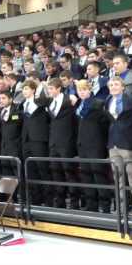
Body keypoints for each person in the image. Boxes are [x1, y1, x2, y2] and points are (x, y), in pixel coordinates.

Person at [105, 77, 132, 216]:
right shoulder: (108, 101)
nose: (113, 87)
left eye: (116, 84)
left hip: (128, 144)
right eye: (111, 85)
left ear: (123, 87)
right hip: (113, 144)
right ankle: (121, 208)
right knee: (118, 178)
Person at [75, 79, 111, 213]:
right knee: (86, 176)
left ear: (90, 90)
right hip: (82, 144)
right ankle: (92, 205)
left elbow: (105, 125)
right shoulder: (79, 105)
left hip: (96, 145)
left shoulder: (99, 103)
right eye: (79, 90)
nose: (82, 92)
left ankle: (105, 206)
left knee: (99, 176)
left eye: (84, 89)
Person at [44, 78, 79, 209]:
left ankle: (75, 203)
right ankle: (60, 201)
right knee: (56, 173)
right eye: (48, 89)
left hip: (67, 142)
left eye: (51, 89)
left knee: (69, 173)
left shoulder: (69, 100)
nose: (49, 91)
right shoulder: (49, 102)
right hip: (53, 143)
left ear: (59, 88)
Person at [20, 80, 51, 206]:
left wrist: (40, 88)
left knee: (42, 169)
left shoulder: (40, 102)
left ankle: (48, 198)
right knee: (30, 170)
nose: (24, 91)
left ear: (33, 90)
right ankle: (36, 198)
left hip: (39, 139)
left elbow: (47, 100)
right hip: (26, 140)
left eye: (27, 89)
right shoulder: (23, 104)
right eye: (23, 89)